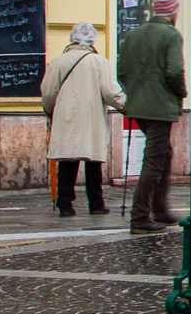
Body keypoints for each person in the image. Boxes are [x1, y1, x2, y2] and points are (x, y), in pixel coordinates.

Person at [41, 22, 128, 217]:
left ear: (72, 39)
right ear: (92, 40)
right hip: (91, 118)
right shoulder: (98, 62)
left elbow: (47, 93)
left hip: (65, 117)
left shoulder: (57, 62)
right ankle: (96, 203)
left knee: (67, 160)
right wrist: (126, 106)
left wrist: (50, 112)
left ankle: (65, 204)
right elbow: (110, 92)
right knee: (93, 161)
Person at [116, 0, 188, 229]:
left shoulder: (133, 35)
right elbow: (175, 71)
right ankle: (140, 216)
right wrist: (181, 92)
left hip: (138, 106)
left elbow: (122, 71)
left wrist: (135, 92)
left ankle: (160, 208)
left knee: (163, 153)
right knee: (154, 160)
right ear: (172, 12)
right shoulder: (171, 35)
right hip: (160, 107)